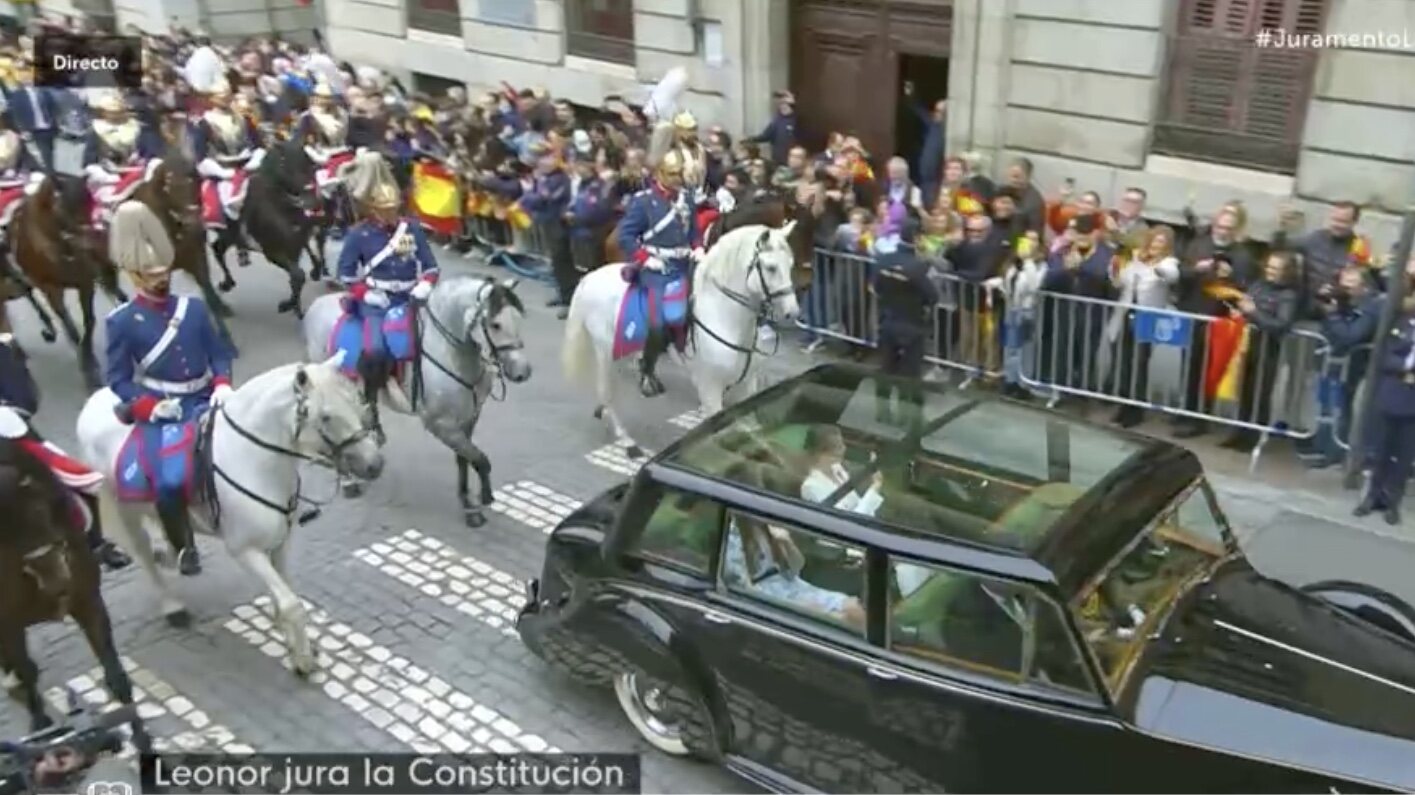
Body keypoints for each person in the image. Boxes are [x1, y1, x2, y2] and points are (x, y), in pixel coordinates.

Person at [105, 201, 234, 576]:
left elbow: (219, 353)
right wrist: (147, 408)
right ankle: (184, 546)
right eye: (151, 275)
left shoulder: (192, 309)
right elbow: (118, 379)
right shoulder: (123, 322)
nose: (161, 280)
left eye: (164, 272)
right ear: (135, 277)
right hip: (164, 407)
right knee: (170, 480)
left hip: (206, 395)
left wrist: (223, 383)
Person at [0, 333, 130, 569]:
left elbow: (25, 400)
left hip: (10, 436)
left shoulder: (2, 349)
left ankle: (95, 542)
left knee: (83, 482)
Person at [334, 178, 439, 404]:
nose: (390, 213)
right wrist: (365, 294)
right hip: (377, 301)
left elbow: (430, 265)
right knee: (375, 350)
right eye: (385, 209)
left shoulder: (411, 229)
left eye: (393, 208)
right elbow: (345, 273)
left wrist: (426, 284)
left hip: (411, 297)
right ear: (374, 210)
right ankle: (369, 401)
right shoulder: (359, 235)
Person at [617, 148, 699, 398]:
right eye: (673, 174)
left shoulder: (686, 199)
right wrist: (645, 259)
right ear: (661, 174)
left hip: (684, 265)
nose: (677, 179)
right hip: (657, 268)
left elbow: (693, 231)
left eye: (680, 175)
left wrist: (699, 248)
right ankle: (647, 369)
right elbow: (626, 236)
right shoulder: (644, 201)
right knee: (658, 322)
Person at [1222, 251, 1298, 452]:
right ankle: (1238, 431)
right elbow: (1245, 304)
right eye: (1269, 267)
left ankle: (1253, 437)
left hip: (1268, 347)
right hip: (1247, 343)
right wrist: (1239, 312)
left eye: (1276, 269)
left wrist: (1252, 312)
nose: (1270, 271)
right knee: (1243, 391)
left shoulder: (1288, 295)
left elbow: (1281, 324)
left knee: (1260, 393)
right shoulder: (1258, 285)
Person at [1104, 225, 1179, 428]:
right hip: (1126, 312)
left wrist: (1153, 265)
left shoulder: (1168, 262)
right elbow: (1119, 283)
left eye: (1161, 242)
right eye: (1154, 240)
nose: (1156, 244)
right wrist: (1116, 269)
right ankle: (1123, 404)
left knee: (1139, 363)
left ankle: (1135, 409)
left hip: (1147, 318)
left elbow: (1171, 275)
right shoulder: (1136, 259)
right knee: (1123, 361)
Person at [1356, 276, 1415, 526]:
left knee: (1403, 456)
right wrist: (1405, 366)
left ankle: (1393, 502)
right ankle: (1372, 495)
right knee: (1380, 450)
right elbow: (1385, 356)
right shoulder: (1401, 324)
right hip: (1391, 393)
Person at [871, 214, 938, 427]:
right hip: (912, 325)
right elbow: (932, 296)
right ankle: (905, 413)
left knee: (885, 367)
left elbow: (876, 287)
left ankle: (882, 411)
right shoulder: (918, 267)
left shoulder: (883, 260)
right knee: (910, 373)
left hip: (887, 320)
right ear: (917, 238)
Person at [192, 79, 263, 233]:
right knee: (226, 201)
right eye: (220, 96)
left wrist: (255, 159)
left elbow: (258, 144)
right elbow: (201, 156)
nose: (225, 99)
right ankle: (233, 233)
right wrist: (221, 172)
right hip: (222, 170)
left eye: (227, 95)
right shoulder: (204, 123)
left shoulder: (243, 119)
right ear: (212, 98)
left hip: (247, 166)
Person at [82, 92, 158, 233]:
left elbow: (149, 151)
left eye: (118, 111)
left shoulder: (137, 127)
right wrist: (105, 176)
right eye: (111, 112)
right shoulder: (96, 130)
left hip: (138, 173)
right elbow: (89, 161)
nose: (116, 115)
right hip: (108, 176)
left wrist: (147, 162)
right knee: (108, 203)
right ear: (104, 113)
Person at [800, 424, 884, 515]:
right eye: (839, 447)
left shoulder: (838, 470)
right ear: (822, 453)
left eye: (843, 444)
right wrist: (875, 488)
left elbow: (855, 503)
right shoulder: (811, 487)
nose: (844, 449)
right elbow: (848, 520)